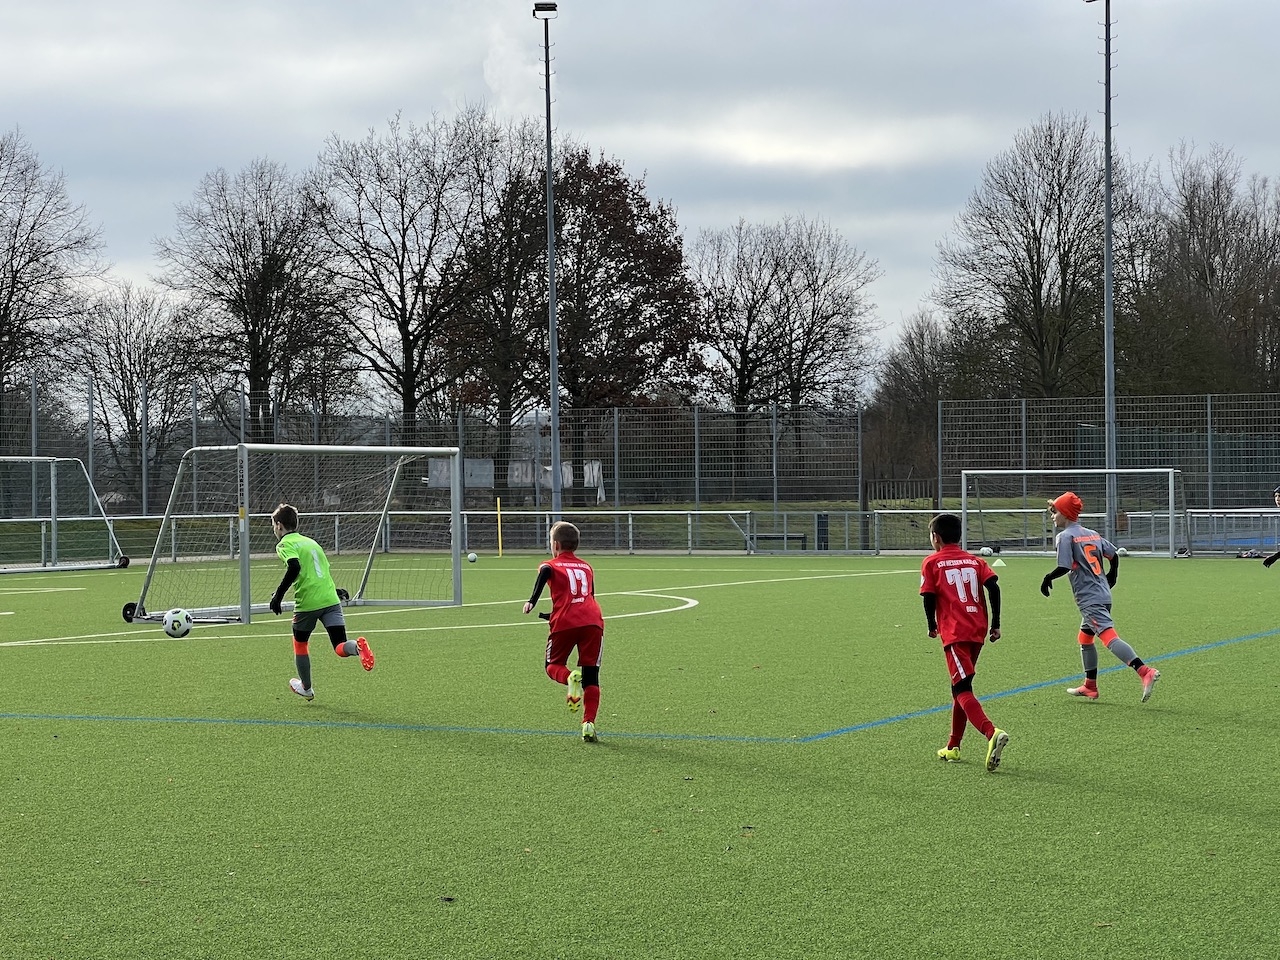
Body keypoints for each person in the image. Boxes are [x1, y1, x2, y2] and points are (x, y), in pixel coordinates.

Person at [1040, 491, 1160, 702]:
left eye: (1055, 512)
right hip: (1103, 593)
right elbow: (1113, 555)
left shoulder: (1065, 536)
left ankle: (1144, 671)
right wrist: (1113, 574)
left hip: (1089, 598)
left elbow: (1064, 566)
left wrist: (1048, 577)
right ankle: (1090, 686)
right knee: (1085, 638)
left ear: (1065, 513)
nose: (1052, 516)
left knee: (1108, 637)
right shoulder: (1091, 534)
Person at [919, 513, 1010, 772]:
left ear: (935, 537)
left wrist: (931, 625)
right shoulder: (975, 560)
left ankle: (991, 732)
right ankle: (953, 745)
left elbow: (928, 596)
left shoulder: (932, 562)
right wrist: (996, 623)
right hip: (977, 629)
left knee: (961, 689)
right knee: (959, 685)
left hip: (955, 631)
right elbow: (994, 587)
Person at [269, 502, 374, 700]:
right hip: (330, 599)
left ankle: (306, 688)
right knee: (340, 646)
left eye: (274, 525)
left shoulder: (284, 544)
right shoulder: (312, 543)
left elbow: (294, 567)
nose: (274, 529)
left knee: (300, 644)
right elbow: (320, 573)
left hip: (308, 603)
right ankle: (358, 648)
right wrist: (335, 591)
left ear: (279, 525)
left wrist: (278, 596)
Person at [523, 521, 605, 742]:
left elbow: (546, 571)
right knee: (591, 676)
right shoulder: (587, 567)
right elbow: (586, 598)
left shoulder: (550, 564)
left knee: (552, 666)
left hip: (566, 622)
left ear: (556, 545)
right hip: (593, 621)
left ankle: (570, 678)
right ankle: (588, 724)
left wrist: (532, 601)